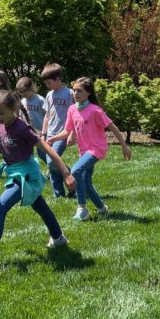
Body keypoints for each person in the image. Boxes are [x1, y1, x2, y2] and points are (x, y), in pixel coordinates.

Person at [0, 91, 76, 272]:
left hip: (27, 175)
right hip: (14, 172)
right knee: (40, 205)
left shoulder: (22, 129)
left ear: (15, 109)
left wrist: (66, 173)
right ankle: (58, 238)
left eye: (1, 113)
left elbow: (49, 150)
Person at [52, 76, 132, 221]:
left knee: (76, 171)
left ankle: (82, 208)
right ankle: (102, 208)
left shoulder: (95, 111)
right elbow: (67, 130)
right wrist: (54, 138)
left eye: (79, 91)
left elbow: (113, 128)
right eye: (74, 91)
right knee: (86, 182)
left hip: (97, 149)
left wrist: (124, 146)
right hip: (84, 151)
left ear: (88, 93)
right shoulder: (72, 109)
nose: (75, 93)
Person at [41, 62, 75, 198]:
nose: (47, 86)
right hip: (50, 133)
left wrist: (72, 133)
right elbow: (47, 116)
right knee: (52, 164)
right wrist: (43, 134)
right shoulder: (49, 95)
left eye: (49, 82)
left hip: (63, 134)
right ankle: (59, 194)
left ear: (58, 79)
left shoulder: (69, 93)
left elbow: (74, 115)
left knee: (52, 161)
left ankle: (74, 181)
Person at [16, 76, 47, 162]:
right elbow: (21, 116)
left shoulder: (40, 100)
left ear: (31, 88)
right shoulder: (22, 101)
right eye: (20, 92)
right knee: (28, 154)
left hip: (40, 131)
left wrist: (44, 131)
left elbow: (47, 115)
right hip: (27, 131)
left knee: (42, 153)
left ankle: (55, 167)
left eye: (24, 91)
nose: (23, 93)